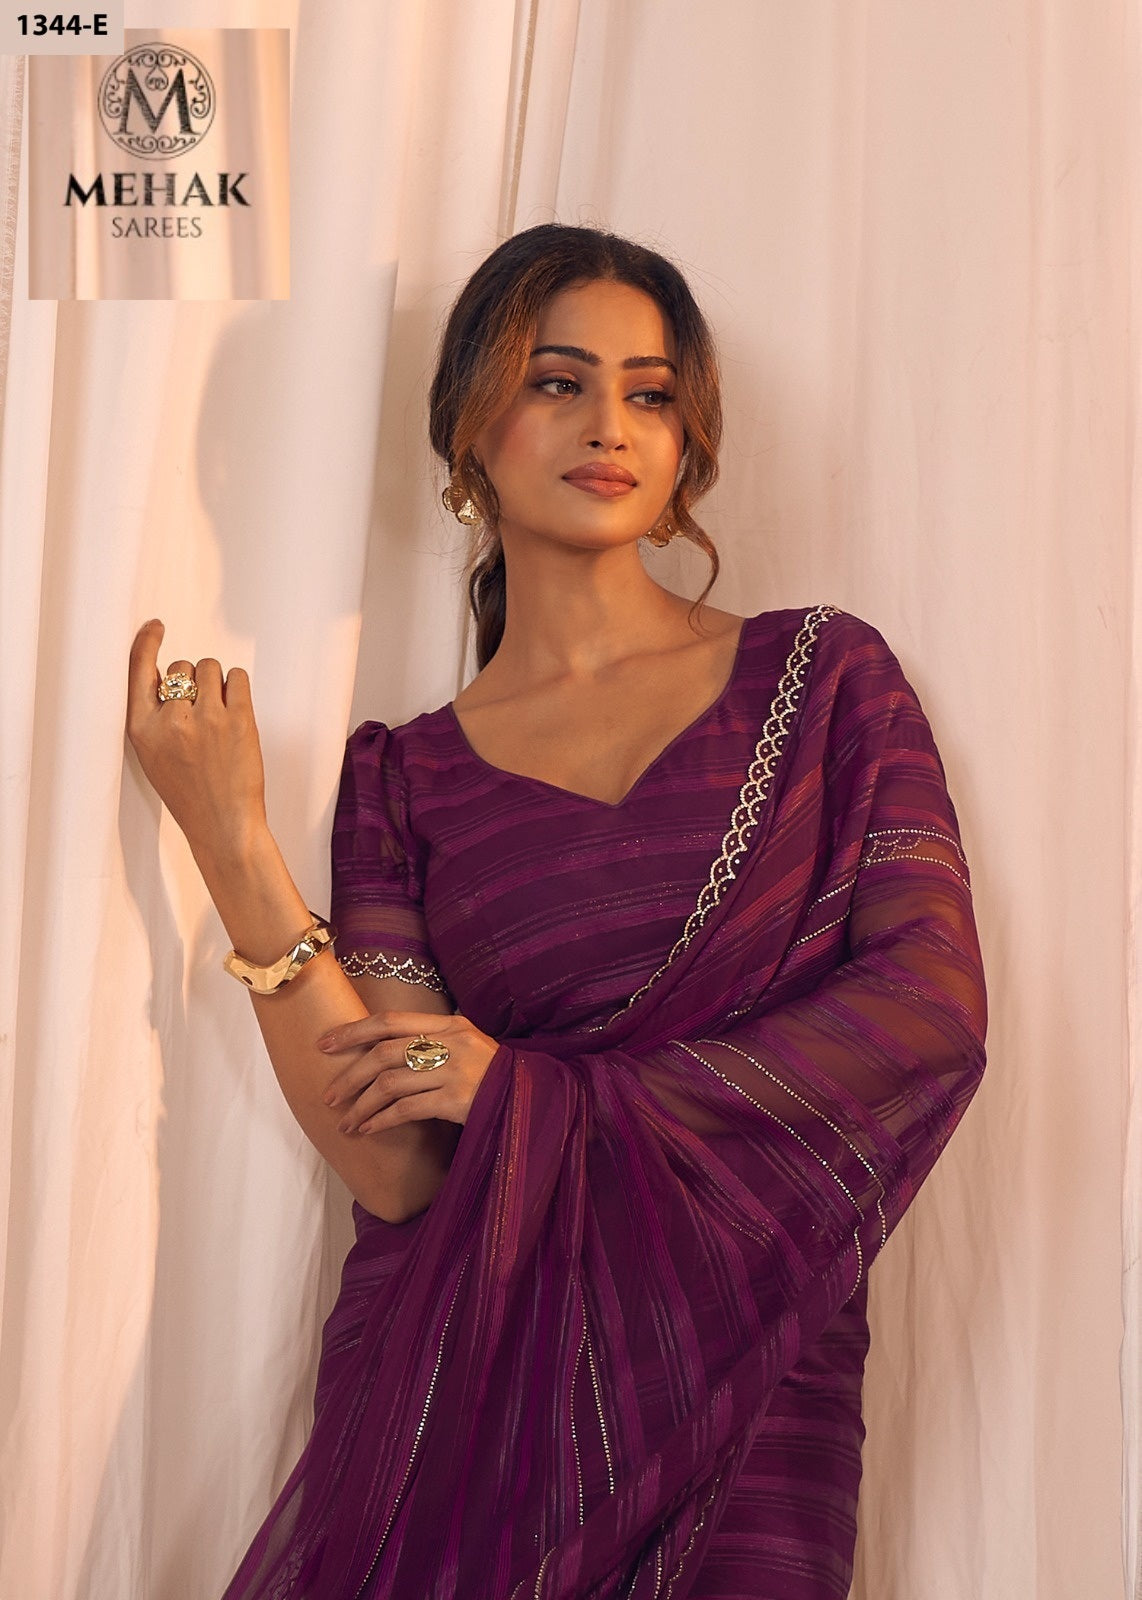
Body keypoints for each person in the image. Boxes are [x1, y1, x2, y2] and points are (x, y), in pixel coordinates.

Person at [125, 223, 987, 1600]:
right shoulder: (405, 778)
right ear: (469, 426)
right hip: (474, 1403)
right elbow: (399, 1167)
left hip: (745, 1381)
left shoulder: (822, 685)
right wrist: (232, 843)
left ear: (688, 438)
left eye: (650, 393)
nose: (609, 426)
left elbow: (927, 1011)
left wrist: (530, 1093)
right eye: (557, 381)